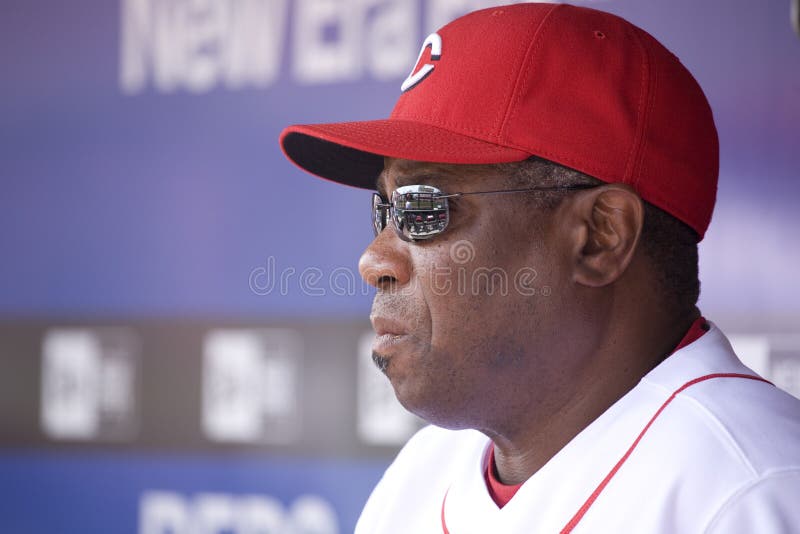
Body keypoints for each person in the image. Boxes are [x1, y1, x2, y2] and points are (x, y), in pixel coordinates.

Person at [279, 3, 800, 532]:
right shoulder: (422, 474)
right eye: (385, 210)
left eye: (422, 206)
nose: (374, 260)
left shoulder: (752, 495)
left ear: (600, 237)